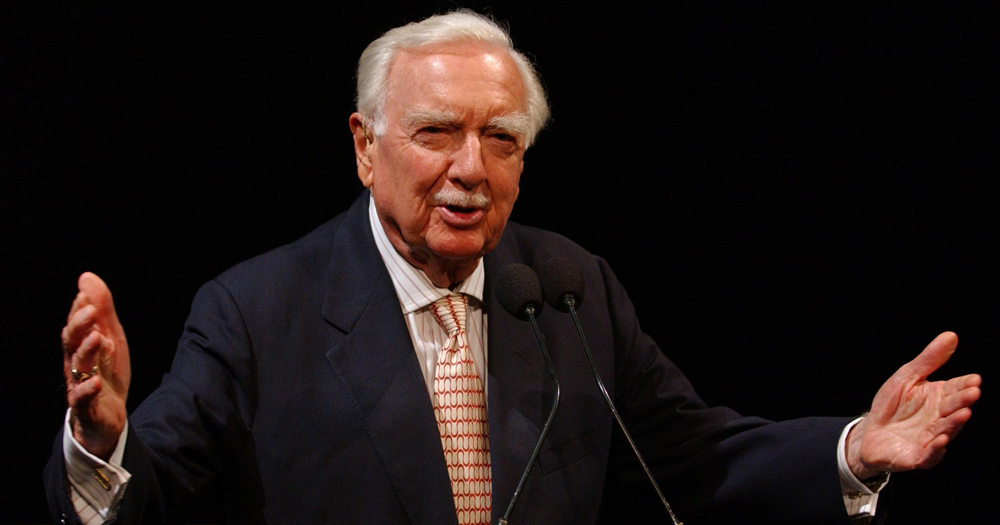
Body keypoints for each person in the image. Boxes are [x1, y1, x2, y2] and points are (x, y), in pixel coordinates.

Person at [48, 10, 981, 525]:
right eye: (436, 133)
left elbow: (695, 457)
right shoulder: (257, 308)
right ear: (366, 147)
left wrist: (852, 447)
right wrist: (99, 441)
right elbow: (150, 492)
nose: (471, 169)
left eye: (501, 138)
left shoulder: (570, 286)